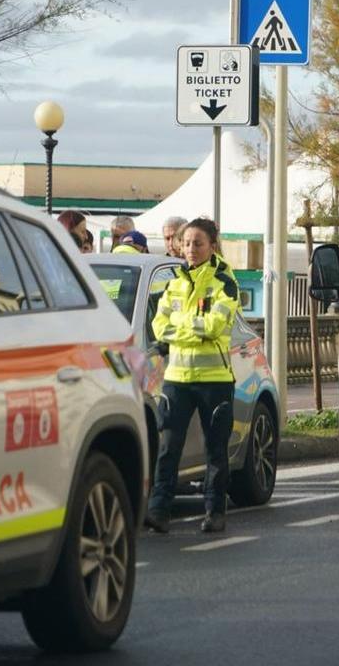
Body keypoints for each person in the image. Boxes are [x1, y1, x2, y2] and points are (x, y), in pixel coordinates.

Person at [145, 218, 240, 534]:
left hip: (215, 380)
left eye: (197, 243)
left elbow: (215, 326)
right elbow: (159, 326)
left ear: (212, 245)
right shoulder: (174, 282)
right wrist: (191, 331)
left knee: (216, 450)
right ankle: (158, 510)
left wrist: (178, 330)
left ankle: (215, 512)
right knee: (168, 447)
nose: (190, 249)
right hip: (177, 379)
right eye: (186, 243)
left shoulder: (225, 282)